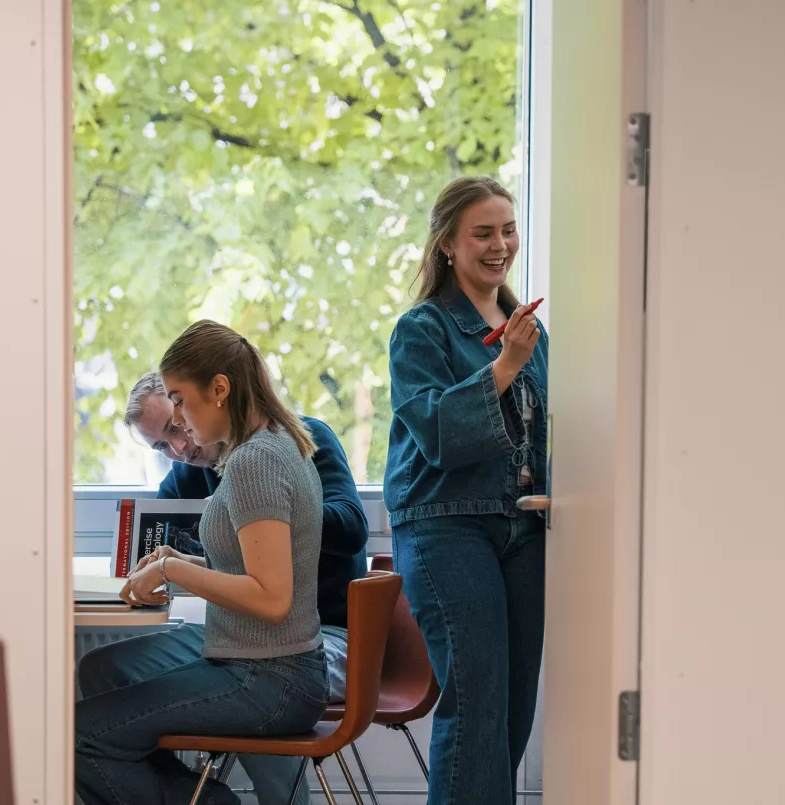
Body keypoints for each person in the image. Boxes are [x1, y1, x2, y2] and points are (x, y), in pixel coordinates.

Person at [77, 371, 367, 805]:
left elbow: (354, 526)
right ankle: (195, 795)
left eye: (176, 427)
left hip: (322, 635)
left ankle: (282, 800)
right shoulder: (191, 471)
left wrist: (265, 517)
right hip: (240, 631)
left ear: (194, 406)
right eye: (161, 446)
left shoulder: (295, 444)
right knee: (102, 670)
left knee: (259, 677)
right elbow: (153, 534)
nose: (179, 447)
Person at [384, 177, 548, 804]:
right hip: (445, 527)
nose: (500, 244)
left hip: (523, 526)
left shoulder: (528, 330)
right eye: (483, 232)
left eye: (507, 230)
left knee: (511, 713)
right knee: (476, 704)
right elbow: (436, 433)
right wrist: (503, 367)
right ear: (448, 244)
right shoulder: (421, 329)